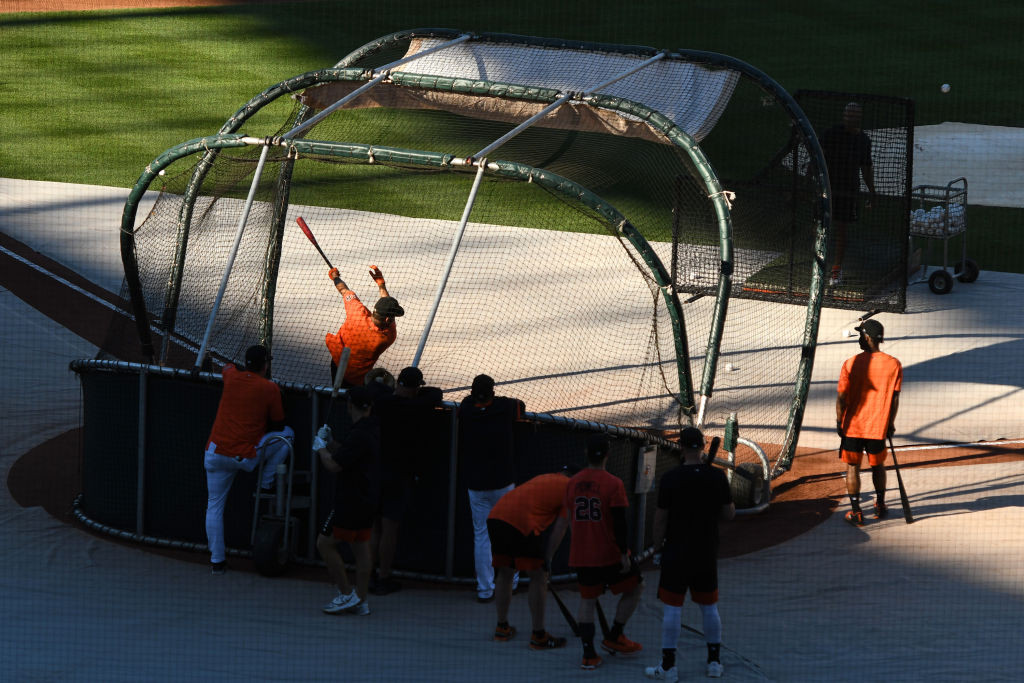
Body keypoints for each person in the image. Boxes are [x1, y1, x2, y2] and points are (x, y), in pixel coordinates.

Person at [644, 426, 735, 681]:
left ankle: (669, 667)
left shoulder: (671, 478)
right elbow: (729, 514)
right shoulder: (716, 477)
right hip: (706, 551)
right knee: (709, 608)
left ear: (681, 447)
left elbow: (659, 520)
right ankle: (714, 663)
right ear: (703, 447)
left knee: (672, 610)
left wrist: (657, 547)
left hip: (676, 551)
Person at [553, 433, 643, 670]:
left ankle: (589, 654)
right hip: (609, 552)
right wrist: (624, 553)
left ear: (586, 454)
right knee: (635, 587)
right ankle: (615, 635)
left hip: (582, 554)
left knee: (587, 600)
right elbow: (620, 522)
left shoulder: (572, 483)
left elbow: (571, 520)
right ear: (607, 454)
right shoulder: (613, 483)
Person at [203, 345, 294, 574]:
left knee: (214, 507)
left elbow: (227, 367)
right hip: (245, 456)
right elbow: (279, 423)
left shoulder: (232, 377)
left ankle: (217, 563)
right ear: (265, 365)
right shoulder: (269, 388)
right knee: (288, 436)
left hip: (215, 453)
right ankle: (266, 480)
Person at [369, 366, 443, 596]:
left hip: (375, 471)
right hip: (399, 475)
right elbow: (435, 393)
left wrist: (393, 388)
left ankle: (368, 573)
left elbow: (372, 385)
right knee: (390, 528)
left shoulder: (382, 402)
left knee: (374, 528)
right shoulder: (417, 407)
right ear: (415, 388)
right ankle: (383, 576)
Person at [486, 466, 578, 649]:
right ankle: (539, 636)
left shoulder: (545, 477)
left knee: (505, 572)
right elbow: (561, 526)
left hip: (496, 517)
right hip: (521, 522)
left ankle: (502, 627)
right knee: (538, 576)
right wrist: (548, 559)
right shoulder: (570, 487)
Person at [313, 385, 381, 616]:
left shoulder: (360, 433)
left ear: (350, 405)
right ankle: (361, 601)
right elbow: (347, 455)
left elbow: (333, 465)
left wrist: (321, 449)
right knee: (361, 548)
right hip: (367, 499)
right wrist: (331, 442)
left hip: (350, 500)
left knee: (324, 543)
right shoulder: (370, 429)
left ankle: (346, 594)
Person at [458, 374, 524, 603]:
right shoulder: (505, 407)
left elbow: (468, 402)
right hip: (503, 482)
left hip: (477, 485)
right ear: (493, 392)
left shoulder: (466, 409)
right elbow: (520, 406)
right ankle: (512, 582)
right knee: (509, 532)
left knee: (482, 536)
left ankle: (485, 589)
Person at [836, 318, 902, 526]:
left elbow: (841, 398)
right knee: (878, 466)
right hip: (878, 427)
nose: (859, 340)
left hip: (853, 427)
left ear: (867, 337)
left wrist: (839, 422)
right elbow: (894, 399)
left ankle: (856, 511)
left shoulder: (850, 363)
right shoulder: (894, 364)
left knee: (852, 467)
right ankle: (880, 504)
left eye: (860, 335)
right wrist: (890, 423)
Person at [820, 101, 877, 286]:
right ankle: (818, 265)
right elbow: (817, 155)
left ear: (859, 118)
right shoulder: (832, 133)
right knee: (821, 227)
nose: (848, 118)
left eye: (852, 115)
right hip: (827, 188)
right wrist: (811, 182)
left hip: (848, 190)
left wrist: (871, 192)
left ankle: (836, 270)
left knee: (841, 229)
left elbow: (866, 168)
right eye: (846, 115)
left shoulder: (863, 141)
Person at [324, 264, 404, 387]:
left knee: (336, 391)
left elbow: (343, 290)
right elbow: (387, 306)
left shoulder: (357, 312)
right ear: (388, 319)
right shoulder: (388, 337)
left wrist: (335, 277)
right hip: (357, 378)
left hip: (337, 361)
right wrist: (381, 285)